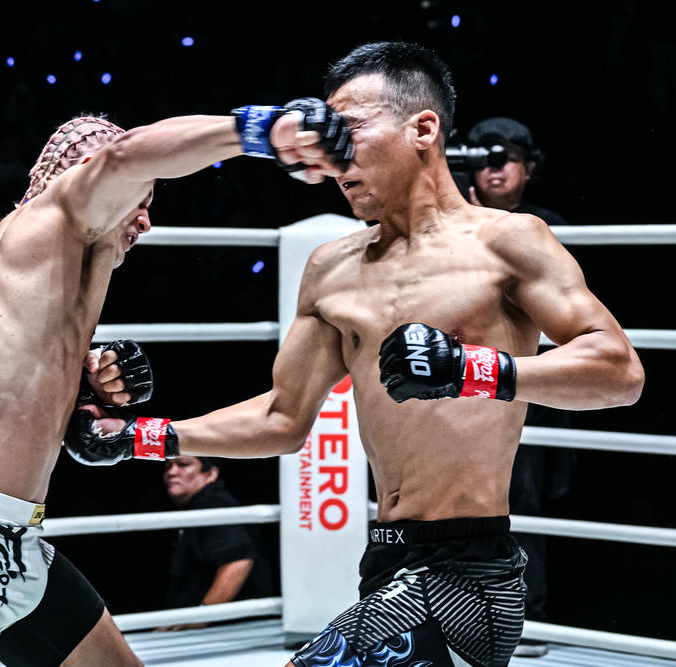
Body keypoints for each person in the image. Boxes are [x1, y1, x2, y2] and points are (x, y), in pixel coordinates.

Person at [69, 41, 644, 667]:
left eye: (350, 129)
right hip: (386, 565)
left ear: (423, 129)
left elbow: (619, 372)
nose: (332, 153)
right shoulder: (332, 269)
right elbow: (283, 418)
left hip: (467, 573)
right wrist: (136, 437)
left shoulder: (507, 241)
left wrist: (471, 371)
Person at [0, 104, 352, 667]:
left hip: (11, 545)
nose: (145, 223)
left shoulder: (4, 257)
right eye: (139, 201)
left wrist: (84, 384)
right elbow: (126, 155)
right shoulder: (53, 219)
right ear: (89, 180)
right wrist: (262, 131)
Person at [468, 116, 578, 658]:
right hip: (457, 381)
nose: (494, 168)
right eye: (483, 157)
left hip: (522, 384)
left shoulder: (545, 228)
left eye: (505, 158)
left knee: (523, 498)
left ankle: (526, 616)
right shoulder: (444, 224)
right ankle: (460, 611)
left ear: (528, 167)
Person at [155, 456, 274, 631]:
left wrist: (201, 617)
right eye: (168, 466)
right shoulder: (200, 506)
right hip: (216, 632)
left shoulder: (211, 504)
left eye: (183, 464)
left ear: (210, 474)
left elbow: (238, 562)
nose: (171, 472)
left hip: (226, 634)